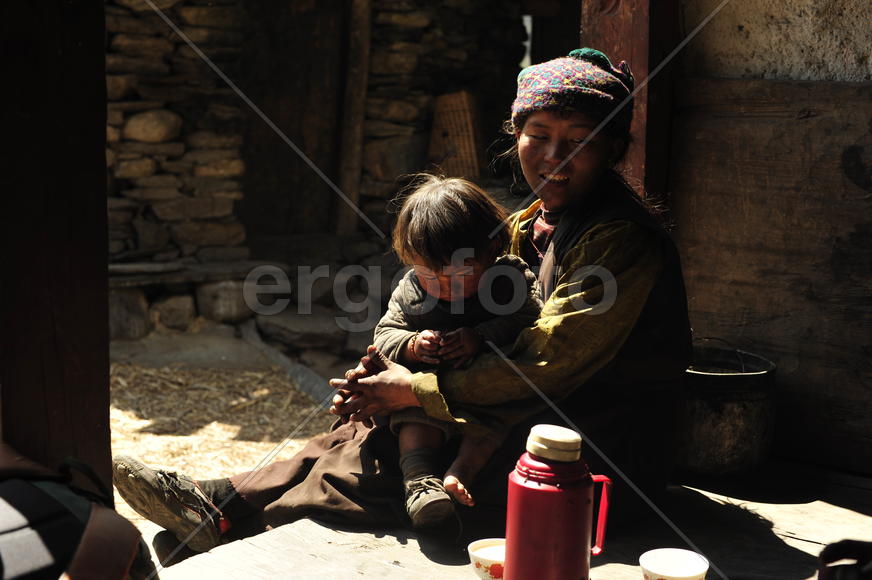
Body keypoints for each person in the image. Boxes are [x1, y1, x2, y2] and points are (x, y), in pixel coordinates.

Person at [112, 47, 692, 552]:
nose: (553, 158)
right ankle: (219, 500)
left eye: (579, 143)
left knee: (388, 454)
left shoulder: (622, 243)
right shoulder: (526, 224)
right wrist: (386, 369)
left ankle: (233, 523)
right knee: (368, 419)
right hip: (520, 403)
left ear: (613, 148)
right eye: (538, 137)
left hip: (594, 441)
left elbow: (547, 363)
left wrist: (414, 388)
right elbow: (442, 315)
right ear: (516, 136)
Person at [363, 174, 542, 527]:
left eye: (462, 274)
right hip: (426, 398)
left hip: (487, 391)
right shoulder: (411, 290)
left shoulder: (509, 279)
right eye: (431, 275)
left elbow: (531, 315)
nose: (446, 287)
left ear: (491, 252)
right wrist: (412, 346)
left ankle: (460, 474)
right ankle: (420, 483)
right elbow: (384, 334)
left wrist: (480, 336)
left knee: (495, 424)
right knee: (414, 420)